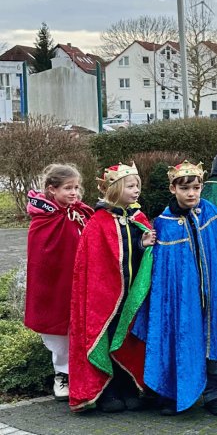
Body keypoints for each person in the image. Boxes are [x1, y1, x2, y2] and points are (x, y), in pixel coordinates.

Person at [132, 161, 217, 416]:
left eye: (196, 188)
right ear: (172, 188)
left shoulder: (214, 216)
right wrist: (144, 247)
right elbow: (156, 268)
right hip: (179, 300)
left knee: (213, 345)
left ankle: (214, 394)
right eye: (185, 188)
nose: (191, 193)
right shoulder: (163, 224)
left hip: (211, 297)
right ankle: (172, 392)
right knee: (178, 340)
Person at [69, 163, 154, 412]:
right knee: (107, 339)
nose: (136, 190)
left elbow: (136, 256)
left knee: (128, 339)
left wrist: (142, 243)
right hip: (106, 300)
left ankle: (129, 386)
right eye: (130, 186)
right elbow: (97, 263)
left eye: (137, 185)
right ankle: (108, 390)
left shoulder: (138, 218)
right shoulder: (98, 222)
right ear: (116, 189)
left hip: (131, 297)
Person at [25, 164, 93, 401]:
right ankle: (62, 374)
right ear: (52, 190)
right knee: (60, 331)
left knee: (82, 327)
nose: (74, 193)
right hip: (56, 286)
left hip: (81, 282)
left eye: (76, 187)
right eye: (68, 188)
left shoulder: (81, 213)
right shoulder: (44, 220)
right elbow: (42, 256)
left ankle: (85, 371)